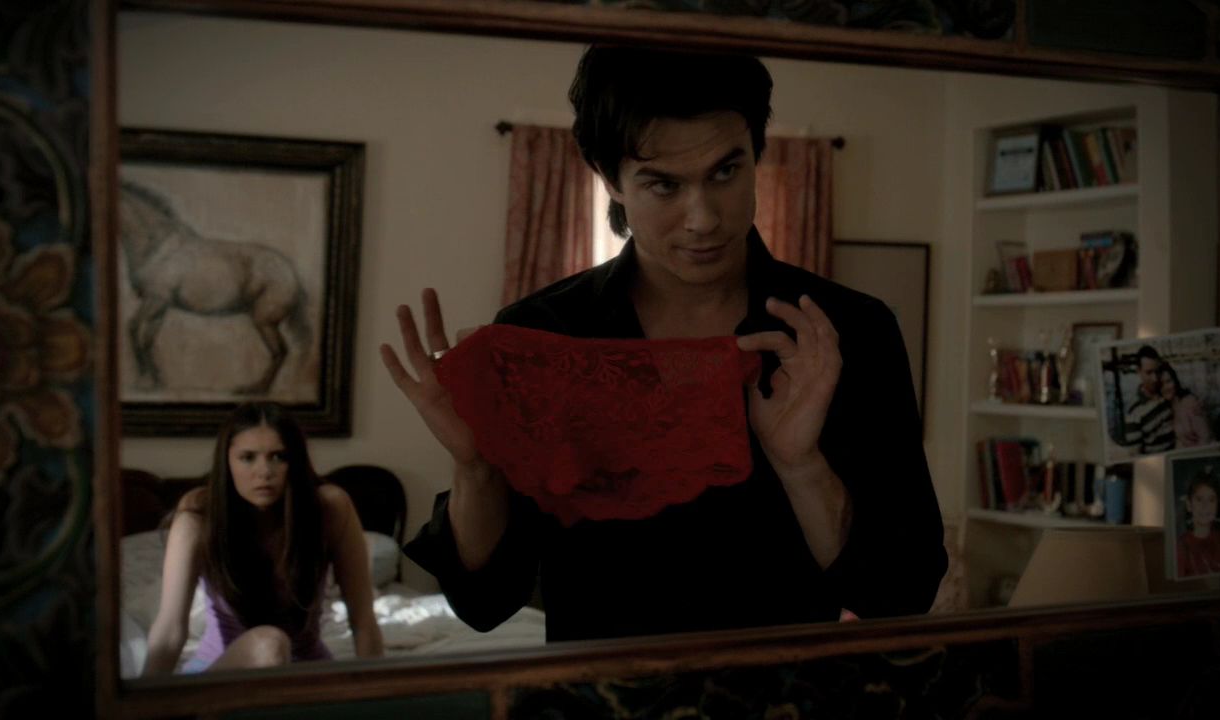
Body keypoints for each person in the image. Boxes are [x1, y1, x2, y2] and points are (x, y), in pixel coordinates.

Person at [381, 44, 946, 643]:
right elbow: (484, 602)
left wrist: (801, 467)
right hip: (597, 688)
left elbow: (899, 595)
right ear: (610, 180)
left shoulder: (848, 330)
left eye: (725, 172)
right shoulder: (544, 332)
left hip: (787, 687)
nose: (703, 219)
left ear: (757, 153)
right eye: (664, 185)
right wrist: (477, 469)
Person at [141, 402, 383, 675]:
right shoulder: (201, 514)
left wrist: (376, 691)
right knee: (269, 644)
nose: (264, 471)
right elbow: (170, 629)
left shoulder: (329, 508)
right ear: (227, 462)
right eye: (247, 458)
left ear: (296, 462)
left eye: (278, 457)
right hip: (220, 675)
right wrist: (144, 699)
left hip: (305, 673)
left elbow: (363, 622)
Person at [1122, 345, 1176, 454]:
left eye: (1157, 372)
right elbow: (1135, 455)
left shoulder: (1166, 394)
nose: (1155, 378)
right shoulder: (1133, 414)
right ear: (1139, 371)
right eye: (1149, 372)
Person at [1177, 470, 1220, 578]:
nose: (1205, 506)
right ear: (1189, 505)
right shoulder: (1181, 547)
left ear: (1217, 505)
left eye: (1211, 500)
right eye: (1199, 499)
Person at [1158, 361, 1214, 449]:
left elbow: (1206, 438)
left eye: (1168, 381)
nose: (1165, 387)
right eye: (1161, 384)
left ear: (1175, 381)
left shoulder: (1190, 403)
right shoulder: (1168, 408)